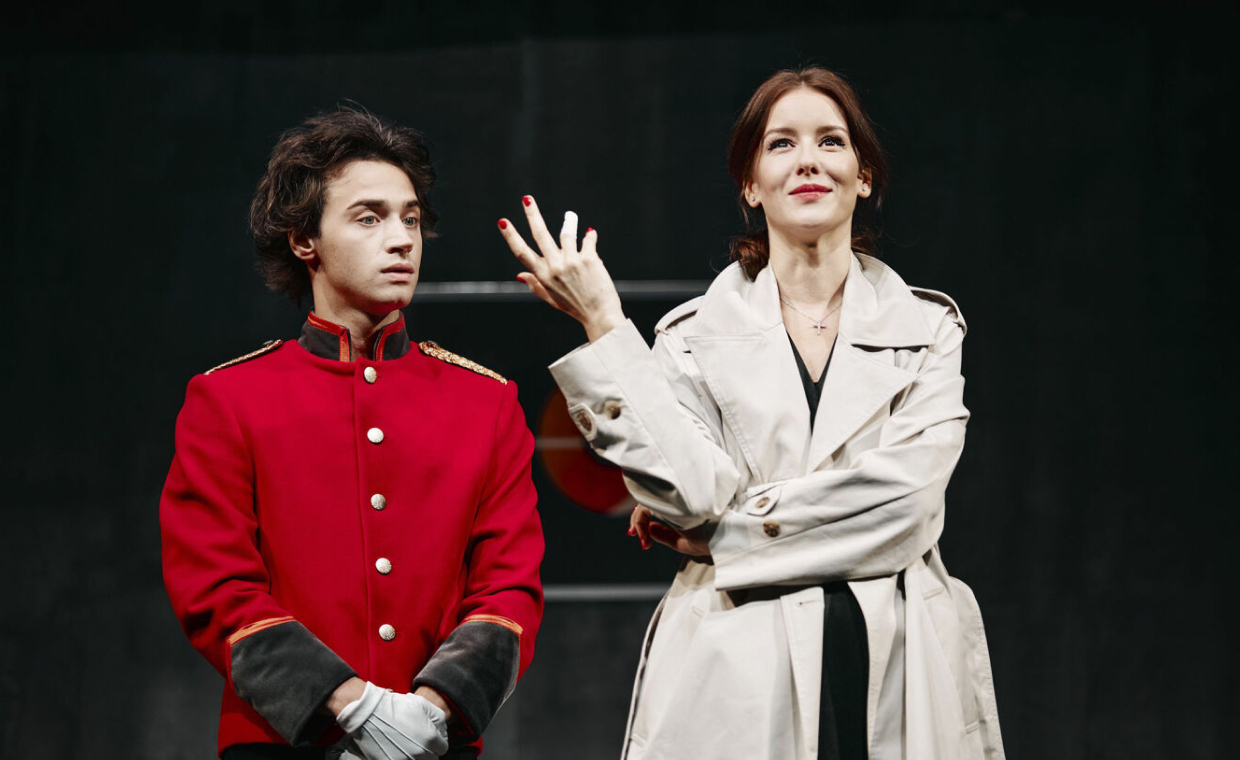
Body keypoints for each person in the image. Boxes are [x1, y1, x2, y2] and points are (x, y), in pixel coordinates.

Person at [497, 68, 1003, 759]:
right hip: (735, 669)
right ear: (750, 183)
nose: (808, 161)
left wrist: (727, 536)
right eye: (781, 144)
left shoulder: (928, 328)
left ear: (863, 177)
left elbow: (906, 508)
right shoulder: (689, 337)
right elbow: (691, 495)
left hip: (898, 657)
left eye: (831, 141)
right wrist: (605, 323)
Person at [160, 106, 544, 760]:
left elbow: (509, 588)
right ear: (303, 240)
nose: (401, 240)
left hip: (435, 746)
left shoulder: (487, 402)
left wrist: (434, 709)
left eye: (411, 219)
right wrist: (349, 703)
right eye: (369, 218)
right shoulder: (229, 399)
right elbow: (216, 588)